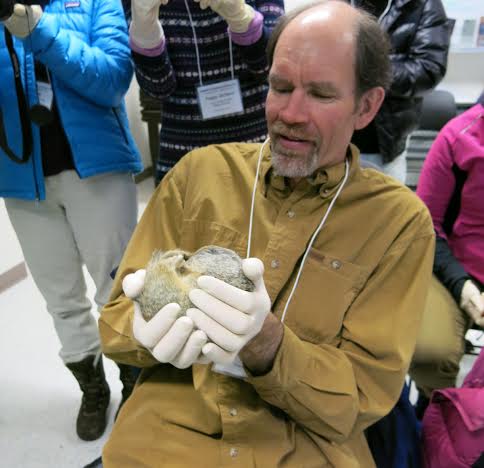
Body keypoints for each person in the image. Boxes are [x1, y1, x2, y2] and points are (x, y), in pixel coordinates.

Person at [99, 1, 435, 466]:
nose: (290, 113)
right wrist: (138, 329)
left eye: (320, 94)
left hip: (303, 444)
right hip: (168, 436)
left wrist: (270, 347)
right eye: (280, 87)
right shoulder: (199, 175)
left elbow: (362, 396)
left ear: (367, 106)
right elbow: (114, 324)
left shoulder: (398, 223)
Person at [0, 0, 142, 441]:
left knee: (119, 290)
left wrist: (35, 27)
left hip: (98, 170)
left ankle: (137, 386)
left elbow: (112, 80)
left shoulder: (96, 2)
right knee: (60, 297)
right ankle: (92, 386)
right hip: (22, 180)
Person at [123, 0, 284, 184]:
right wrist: (145, 31)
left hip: (259, 144)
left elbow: (273, 69)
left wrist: (242, 19)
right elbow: (158, 88)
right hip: (183, 152)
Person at [409, 95, 484, 417]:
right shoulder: (459, 137)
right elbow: (427, 225)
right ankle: (434, 414)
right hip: (455, 270)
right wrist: (462, 285)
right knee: (430, 352)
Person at [349, 0, 450, 184]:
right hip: (332, 135)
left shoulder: (424, 4)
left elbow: (428, 70)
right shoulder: (339, 3)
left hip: (383, 143)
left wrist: (365, 68)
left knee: (384, 207)